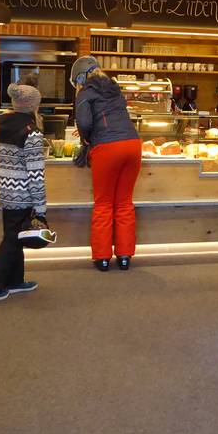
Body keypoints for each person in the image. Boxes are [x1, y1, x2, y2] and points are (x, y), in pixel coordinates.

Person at [71, 56, 141, 272]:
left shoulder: (85, 92)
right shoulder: (114, 89)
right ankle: (124, 256)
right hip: (133, 145)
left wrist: (86, 140)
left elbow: (84, 122)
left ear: (80, 78)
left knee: (103, 204)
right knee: (124, 203)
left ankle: (102, 257)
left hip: (107, 148)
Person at [0, 83, 46, 302]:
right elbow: (35, 174)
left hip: (6, 191)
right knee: (12, 240)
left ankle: (15, 280)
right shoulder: (32, 132)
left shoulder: (4, 125)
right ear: (34, 105)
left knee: (15, 236)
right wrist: (41, 207)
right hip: (23, 195)